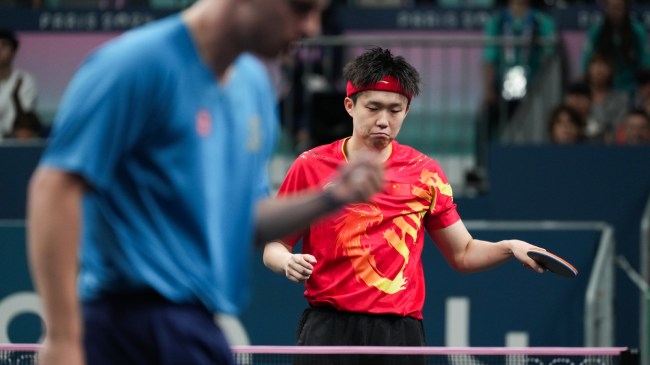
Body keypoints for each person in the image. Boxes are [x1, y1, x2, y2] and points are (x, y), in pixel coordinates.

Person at [26, 1, 386, 365]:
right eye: (301, 8)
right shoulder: (135, 63)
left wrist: (332, 198)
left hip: (197, 327)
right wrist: (62, 337)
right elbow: (55, 188)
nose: (311, 28)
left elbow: (244, 220)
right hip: (119, 327)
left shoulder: (254, 89)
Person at [263, 47, 549, 365]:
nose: (383, 120)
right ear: (349, 105)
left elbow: (463, 253)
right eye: (373, 108)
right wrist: (285, 261)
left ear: (406, 111)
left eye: (395, 110)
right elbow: (273, 245)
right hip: (328, 330)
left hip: (399, 335)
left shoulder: (426, 173)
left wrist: (509, 247)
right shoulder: (310, 165)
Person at [580, 0, 650, 97]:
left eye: (619, 8)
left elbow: (645, 60)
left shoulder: (638, 31)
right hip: (604, 87)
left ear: (626, 9)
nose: (615, 12)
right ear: (606, 9)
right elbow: (587, 58)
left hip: (631, 86)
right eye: (611, 8)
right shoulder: (596, 31)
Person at [0, 28, 38, 140]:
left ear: (13, 51)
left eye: (4, 46)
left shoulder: (25, 80)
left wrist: (15, 96)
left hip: (16, 144)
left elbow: (23, 122)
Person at [583, 52, 629, 143]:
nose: (599, 69)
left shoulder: (621, 98)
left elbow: (620, 126)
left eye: (604, 65)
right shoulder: (579, 96)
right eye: (595, 64)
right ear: (589, 69)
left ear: (611, 70)